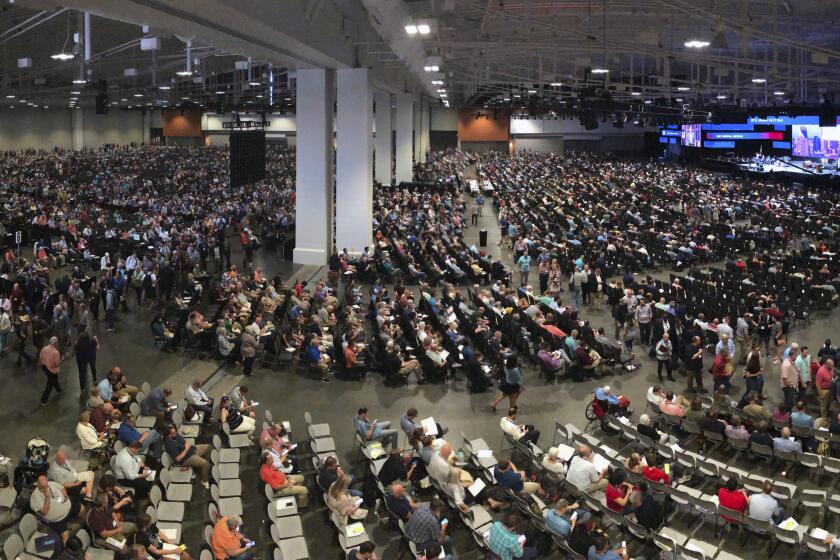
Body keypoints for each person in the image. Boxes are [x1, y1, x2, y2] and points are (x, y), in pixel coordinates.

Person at [30, 475, 84, 544]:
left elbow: (62, 488)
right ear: (38, 484)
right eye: (43, 487)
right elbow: (44, 512)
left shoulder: (50, 484)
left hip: (68, 507)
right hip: (58, 520)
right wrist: (47, 497)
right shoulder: (35, 497)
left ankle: (72, 524)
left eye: (46, 485)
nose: (46, 488)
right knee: (65, 537)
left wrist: (65, 496)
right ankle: (67, 551)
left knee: (82, 508)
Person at [163, 425, 212, 489]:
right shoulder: (170, 445)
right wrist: (186, 449)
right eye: (174, 433)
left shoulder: (175, 435)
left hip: (191, 449)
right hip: (185, 459)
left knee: (210, 447)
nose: (176, 433)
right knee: (206, 464)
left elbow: (184, 442)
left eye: (175, 432)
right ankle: (204, 481)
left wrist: (186, 447)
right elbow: (178, 458)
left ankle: (203, 467)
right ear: (169, 435)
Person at [38, 336, 64, 405]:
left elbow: (40, 357)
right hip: (52, 370)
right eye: (57, 342)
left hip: (44, 367)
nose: (58, 343)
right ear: (55, 343)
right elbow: (56, 364)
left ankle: (58, 389)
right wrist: (63, 359)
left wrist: (38, 364)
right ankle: (43, 400)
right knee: (50, 385)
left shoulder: (44, 348)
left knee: (55, 378)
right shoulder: (56, 352)